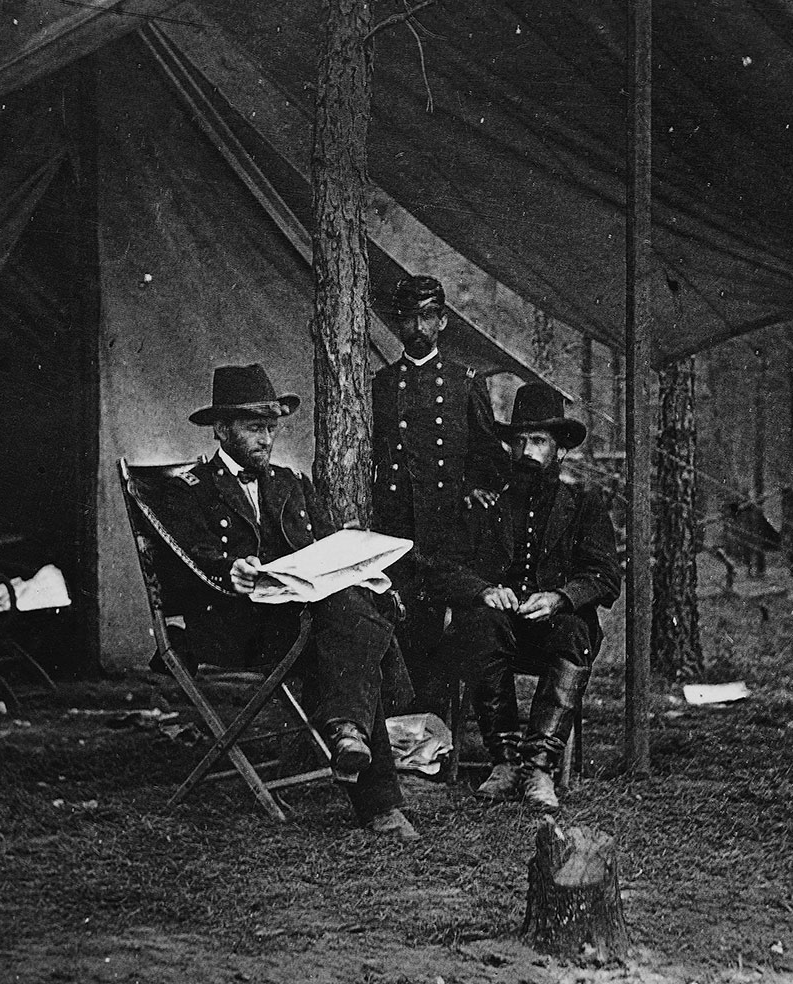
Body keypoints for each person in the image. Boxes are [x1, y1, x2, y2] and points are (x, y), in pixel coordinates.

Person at [140, 363, 418, 840]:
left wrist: (367, 570)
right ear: (223, 430)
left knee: (350, 601)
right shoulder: (187, 490)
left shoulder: (292, 485)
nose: (266, 439)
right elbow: (180, 563)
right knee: (350, 626)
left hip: (300, 622)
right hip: (234, 627)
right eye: (253, 427)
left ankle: (352, 739)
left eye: (270, 428)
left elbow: (328, 547)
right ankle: (374, 792)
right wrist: (228, 567)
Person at [435, 378, 621, 810]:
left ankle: (539, 768)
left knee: (576, 629)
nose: (526, 452)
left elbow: (605, 576)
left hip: (553, 632)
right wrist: (483, 590)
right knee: (479, 623)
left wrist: (561, 597)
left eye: (538, 440)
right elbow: (444, 568)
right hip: (501, 632)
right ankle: (503, 762)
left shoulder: (584, 504)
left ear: (560, 449)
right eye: (519, 441)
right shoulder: (486, 503)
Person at [371, 275, 509, 707]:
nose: (417, 328)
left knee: (444, 632)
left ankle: (435, 726)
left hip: (449, 532)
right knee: (399, 626)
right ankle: (408, 728)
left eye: (427, 317)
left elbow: (489, 458)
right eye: (408, 319)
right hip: (395, 529)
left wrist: (473, 487)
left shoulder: (463, 381)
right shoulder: (381, 385)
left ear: (443, 321)